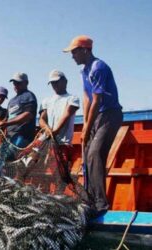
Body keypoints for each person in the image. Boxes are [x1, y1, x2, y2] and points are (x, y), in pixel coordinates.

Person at [63, 35, 123, 214]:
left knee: (95, 154)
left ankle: (100, 205)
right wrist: (86, 124)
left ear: (85, 50)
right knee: (88, 154)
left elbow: (97, 100)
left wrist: (87, 128)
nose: (72, 56)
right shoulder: (84, 71)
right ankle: (89, 200)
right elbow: (87, 98)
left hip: (110, 115)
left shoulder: (98, 67)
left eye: (74, 52)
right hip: (96, 116)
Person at [0, 72, 37, 177]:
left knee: (9, 159)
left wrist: (7, 123)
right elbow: (7, 118)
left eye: (18, 83)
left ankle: (10, 185)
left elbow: (28, 115)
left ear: (26, 83)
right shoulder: (12, 100)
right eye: (14, 83)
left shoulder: (29, 96)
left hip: (22, 135)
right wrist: (2, 127)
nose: (15, 86)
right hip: (8, 137)